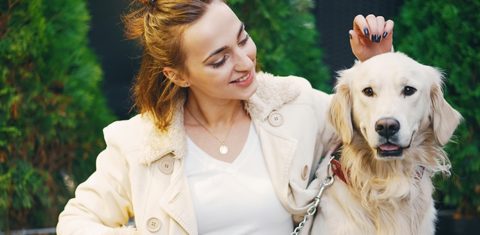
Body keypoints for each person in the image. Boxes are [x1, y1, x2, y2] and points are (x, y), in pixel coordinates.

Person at [56, 0, 394, 234]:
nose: (245, 62)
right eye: (219, 60)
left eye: (243, 39)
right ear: (178, 75)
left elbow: (375, 132)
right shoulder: (140, 144)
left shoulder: (296, 106)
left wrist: (376, 64)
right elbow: (74, 223)